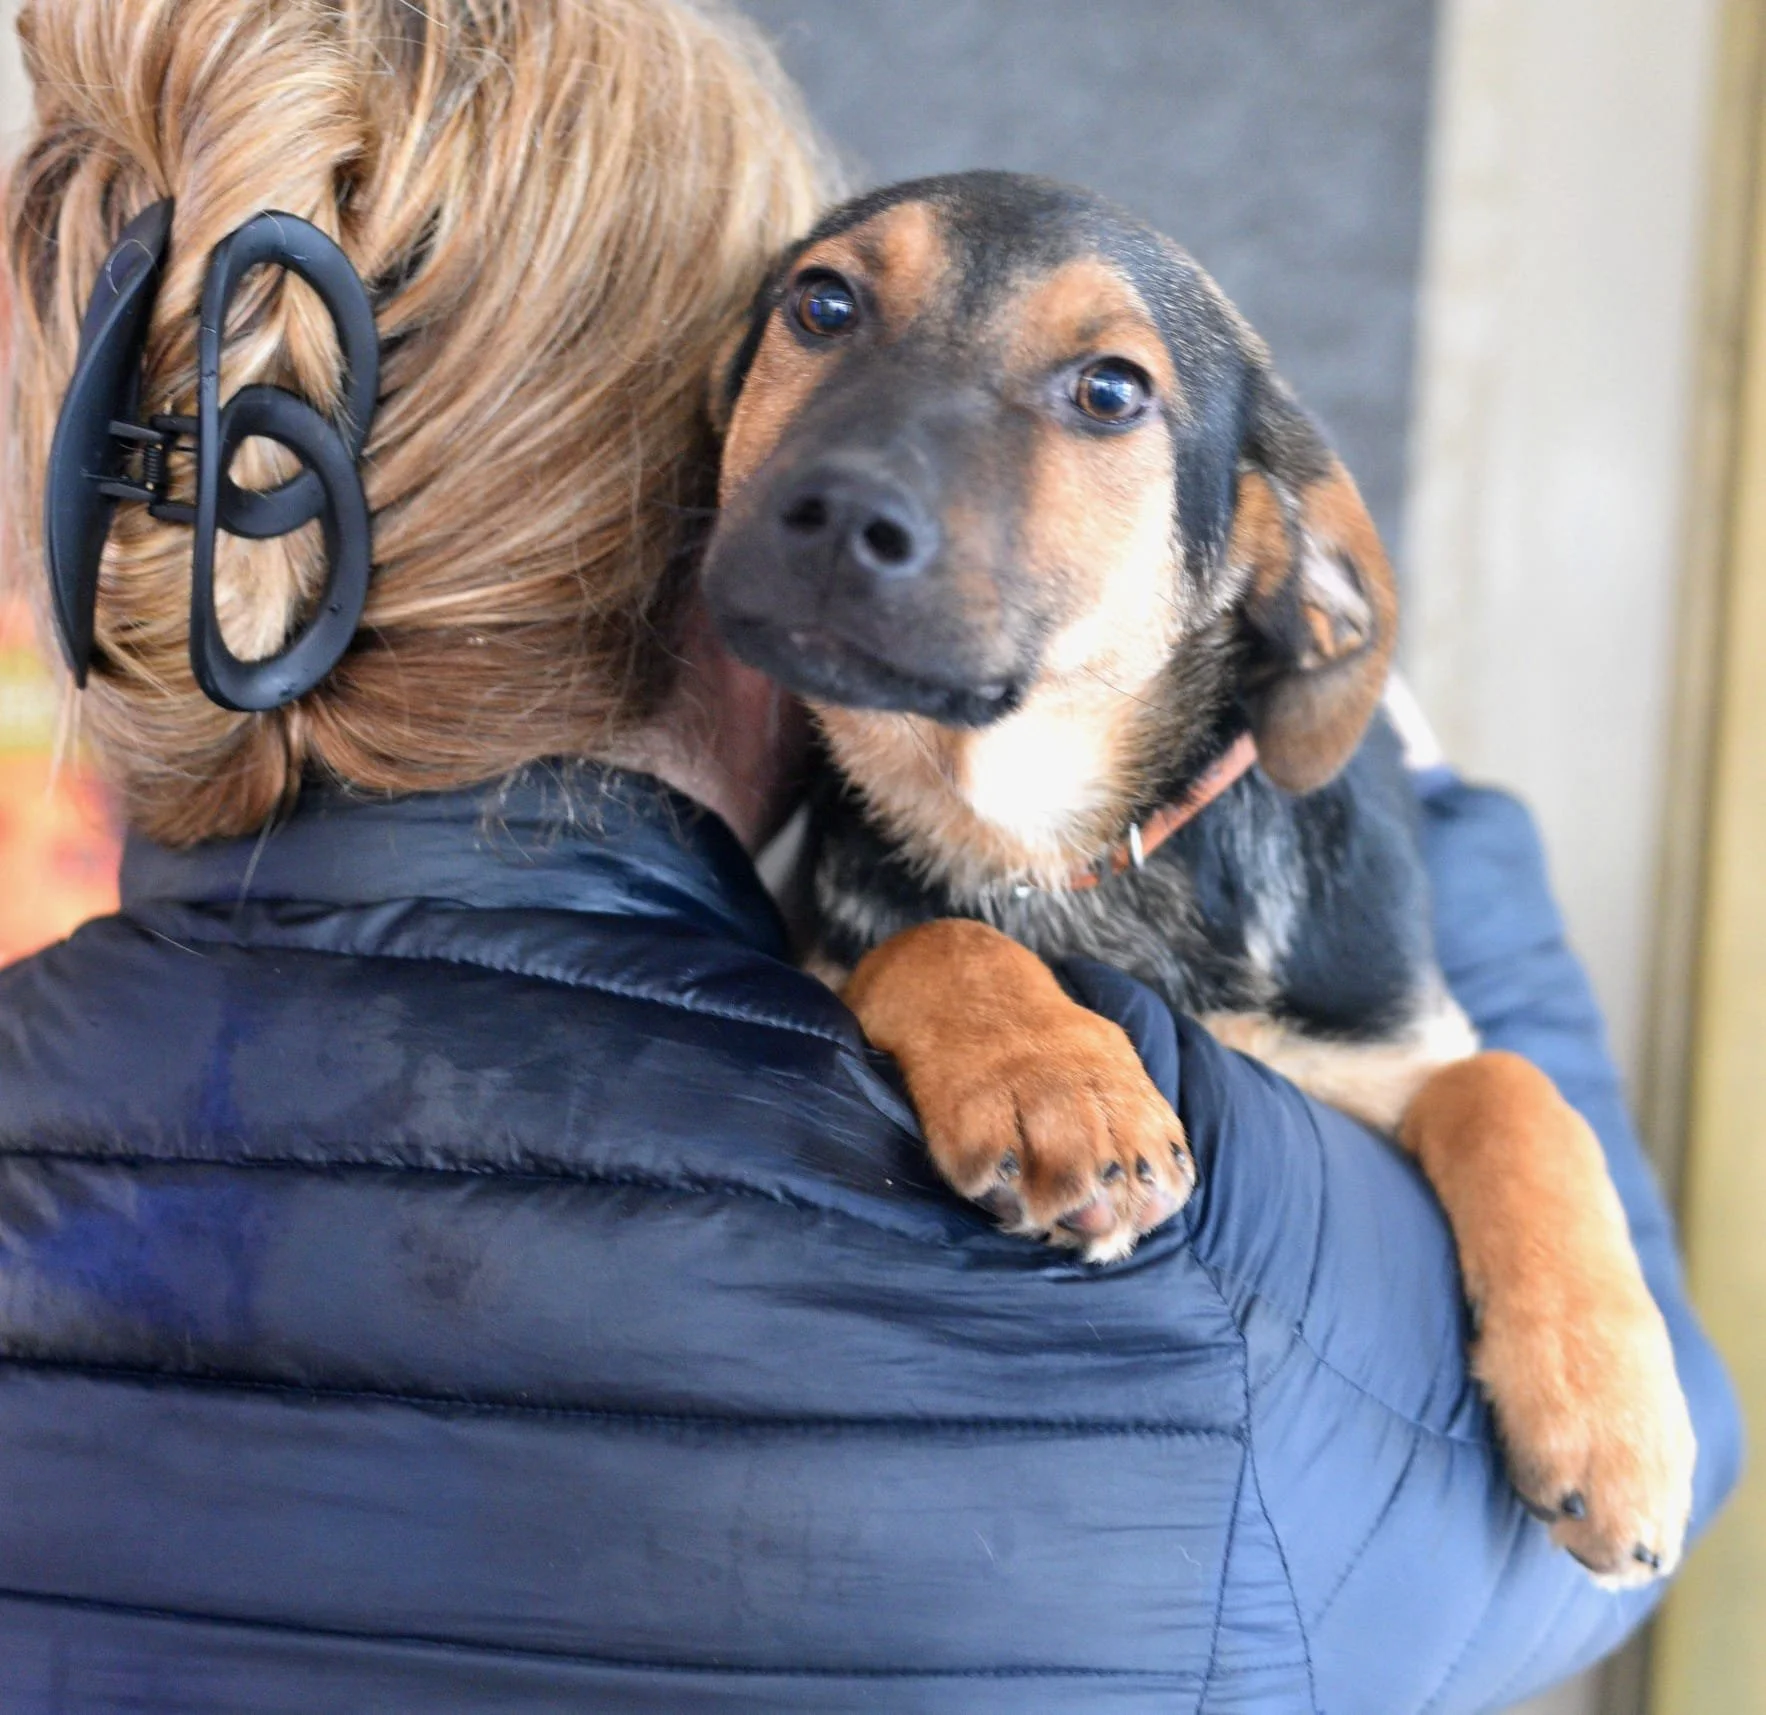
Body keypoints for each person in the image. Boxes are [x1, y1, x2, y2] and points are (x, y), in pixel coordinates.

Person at [0, 2, 1739, 1710]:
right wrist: (1413, 779)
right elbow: (1641, 1490)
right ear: (675, 458)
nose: (877, 471)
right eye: (823, 310)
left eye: (1099, 391)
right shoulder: (1228, 1347)